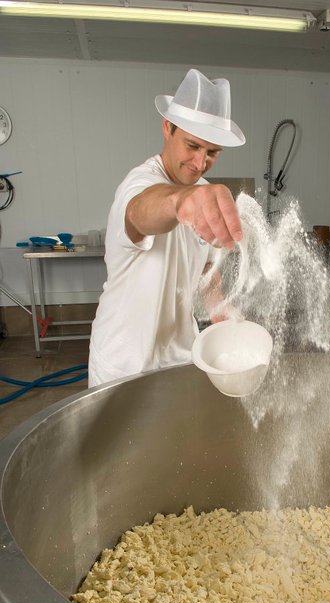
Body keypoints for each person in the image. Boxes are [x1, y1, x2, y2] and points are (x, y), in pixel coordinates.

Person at [88, 68, 246, 387]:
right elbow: (139, 212)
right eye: (192, 146)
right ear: (167, 128)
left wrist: (218, 305)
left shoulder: (202, 193)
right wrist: (178, 201)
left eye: (212, 153)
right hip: (123, 363)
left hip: (180, 357)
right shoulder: (140, 184)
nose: (200, 163)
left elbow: (205, 266)